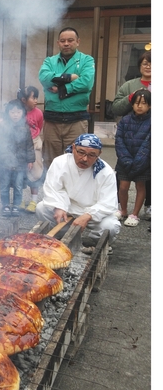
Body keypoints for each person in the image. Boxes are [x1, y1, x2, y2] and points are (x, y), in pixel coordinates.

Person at [35, 133, 121, 254]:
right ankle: (63, 236)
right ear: (73, 148)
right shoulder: (60, 162)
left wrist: (87, 215)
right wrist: (58, 206)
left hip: (91, 211)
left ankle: (97, 243)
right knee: (41, 208)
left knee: (111, 226)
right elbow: (53, 188)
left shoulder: (106, 172)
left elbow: (108, 202)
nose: (85, 159)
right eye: (81, 152)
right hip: (67, 207)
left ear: (99, 154)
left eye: (91, 155)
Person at [38, 27, 95, 170]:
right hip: (52, 120)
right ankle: (52, 192)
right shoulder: (50, 61)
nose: (66, 43)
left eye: (70, 40)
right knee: (51, 163)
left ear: (78, 42)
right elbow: (44, 77)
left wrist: (63, 89)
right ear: (58, 43)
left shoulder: (86, 60)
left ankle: (74, 193)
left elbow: (86, 83)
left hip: (76, 120)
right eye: (63, 41)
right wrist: (70, 77)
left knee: (77, 161)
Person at [111, 50, 151, 220]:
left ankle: (150, 206)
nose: (149, 66)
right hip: (131, 134)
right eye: (145, 63)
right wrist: (130, 98)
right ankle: (122, 208)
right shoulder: (129, 85)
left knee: (151, 174)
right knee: (124, 177)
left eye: (152, 63)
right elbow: (116, 108)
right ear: (140, 66)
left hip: (151, 132)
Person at [114, 89, 151, 227]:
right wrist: (126, 159)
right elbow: (119, 140)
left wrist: (139, 161)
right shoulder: (125, 120)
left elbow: (148, 144)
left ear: (150, 105)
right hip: (125, 160)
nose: (139, 106)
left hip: (143, 162)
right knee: (123, 187)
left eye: (143, 103)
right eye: (136, 103)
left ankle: (135, 214)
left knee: (140, 186)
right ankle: (123, 210)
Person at [0, 98, 35, 217]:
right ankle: (5, 205)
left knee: (18, 186)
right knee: (4, 185)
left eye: (18, 112)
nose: (15, 115)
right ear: (8, 113)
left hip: (20, 162)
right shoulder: (3, 126)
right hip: (5, 162)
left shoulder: (25, 127)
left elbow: (29, 144)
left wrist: (30, 159)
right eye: (12, 112)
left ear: (22, 113)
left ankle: (16, 205)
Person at [18, 86, 45, 212]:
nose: (35, 101)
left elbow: (39, 127)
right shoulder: (18, 112)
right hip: (20, 145)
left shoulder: (38, 113)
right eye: (33, 98)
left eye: (36, 98)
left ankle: (34, 201)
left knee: (35, 173)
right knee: (20, 173)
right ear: (23, 99)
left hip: (34, 144)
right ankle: (21, 199)